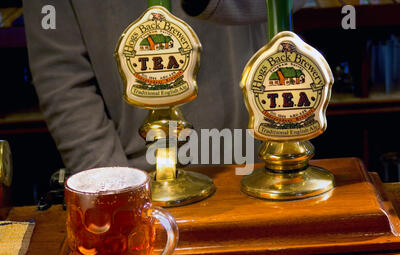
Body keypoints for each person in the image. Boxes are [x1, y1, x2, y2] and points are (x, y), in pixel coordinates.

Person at [23, 0, 306, 174]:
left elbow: (291, 3)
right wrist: (111, 184)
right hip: (140, 173)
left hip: (259, 162)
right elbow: (62, 76)